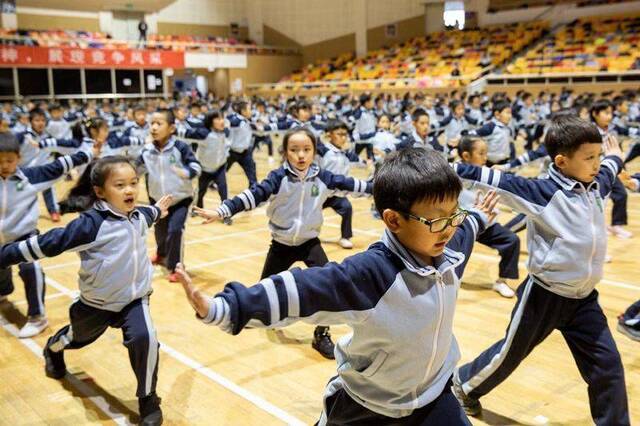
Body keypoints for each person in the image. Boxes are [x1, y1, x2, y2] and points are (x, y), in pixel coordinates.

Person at [180, 147, 499, 424]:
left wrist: (477, 217)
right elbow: (304, 290)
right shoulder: (374, 273)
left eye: (454, 213)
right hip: (367, 405)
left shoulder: (450, 246)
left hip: (434, 394)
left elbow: (465, 229)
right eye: (437, 220)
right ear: (393, 220)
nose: (449, 227)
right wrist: (226, 308)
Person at [451, 115, 630, 426]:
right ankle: (464, 386)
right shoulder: (542, 193)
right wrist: (439, 168)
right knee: (508, 355)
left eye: (598, 156)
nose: (597, 163)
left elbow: (612, 166)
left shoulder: (597, 182)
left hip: (585, 300)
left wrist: (614, 156)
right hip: (544, 296)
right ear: (562, 161)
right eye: (590, 157)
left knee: (608, 368)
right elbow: (488, 177)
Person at [192, 128, 372, 358]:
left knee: (329, 286)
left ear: (314, 151)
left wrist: (378, 187)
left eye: (306, 149)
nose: (301, 155)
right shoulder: (278, 178)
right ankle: (254, 314)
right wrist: (222, 211)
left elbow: (352, 185)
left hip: (310, 243)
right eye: (294, 150)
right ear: (285, 152)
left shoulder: (323, 178)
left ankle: (321, 334)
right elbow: (252, 196)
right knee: (263, 288)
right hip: (281, 245)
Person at [0, 133, 95, 337]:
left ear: (18, 158)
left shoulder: (30, 177)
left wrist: (87, 152)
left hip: (23, 234)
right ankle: (3, 293)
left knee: (30, 267)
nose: (4, 165)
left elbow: (62, 164)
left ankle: (37, 317)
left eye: (9, 160)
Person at [136, 109, 201, 282]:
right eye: (152, 123)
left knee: (175, 231)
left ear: (171, 128)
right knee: (160, 231)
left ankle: (176, 266)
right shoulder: (146, 151)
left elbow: (196, 167)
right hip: (158, 200)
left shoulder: (180, 147)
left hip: (180, 199)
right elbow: (135, 170)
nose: (154, 127)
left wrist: (185, 172)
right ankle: (161, 253)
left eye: (159, 123)